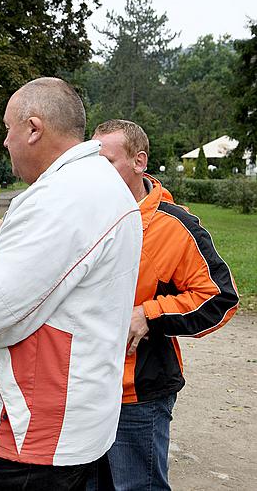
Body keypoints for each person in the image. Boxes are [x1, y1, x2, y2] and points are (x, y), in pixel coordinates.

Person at [0, 77, 143, 490]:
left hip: (38, 425)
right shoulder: (94, 184)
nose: (5, 141)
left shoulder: (66, 196)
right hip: (62, 415)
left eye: (8, 129)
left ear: (34, 128)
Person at [91, 119, 239, 490]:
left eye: (106, 162)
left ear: (139, 161)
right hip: (82, 389)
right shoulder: (84, 216)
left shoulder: (174, 225)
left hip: (138, 392)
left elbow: (219, 298)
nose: (96, 173)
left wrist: (149, 314)